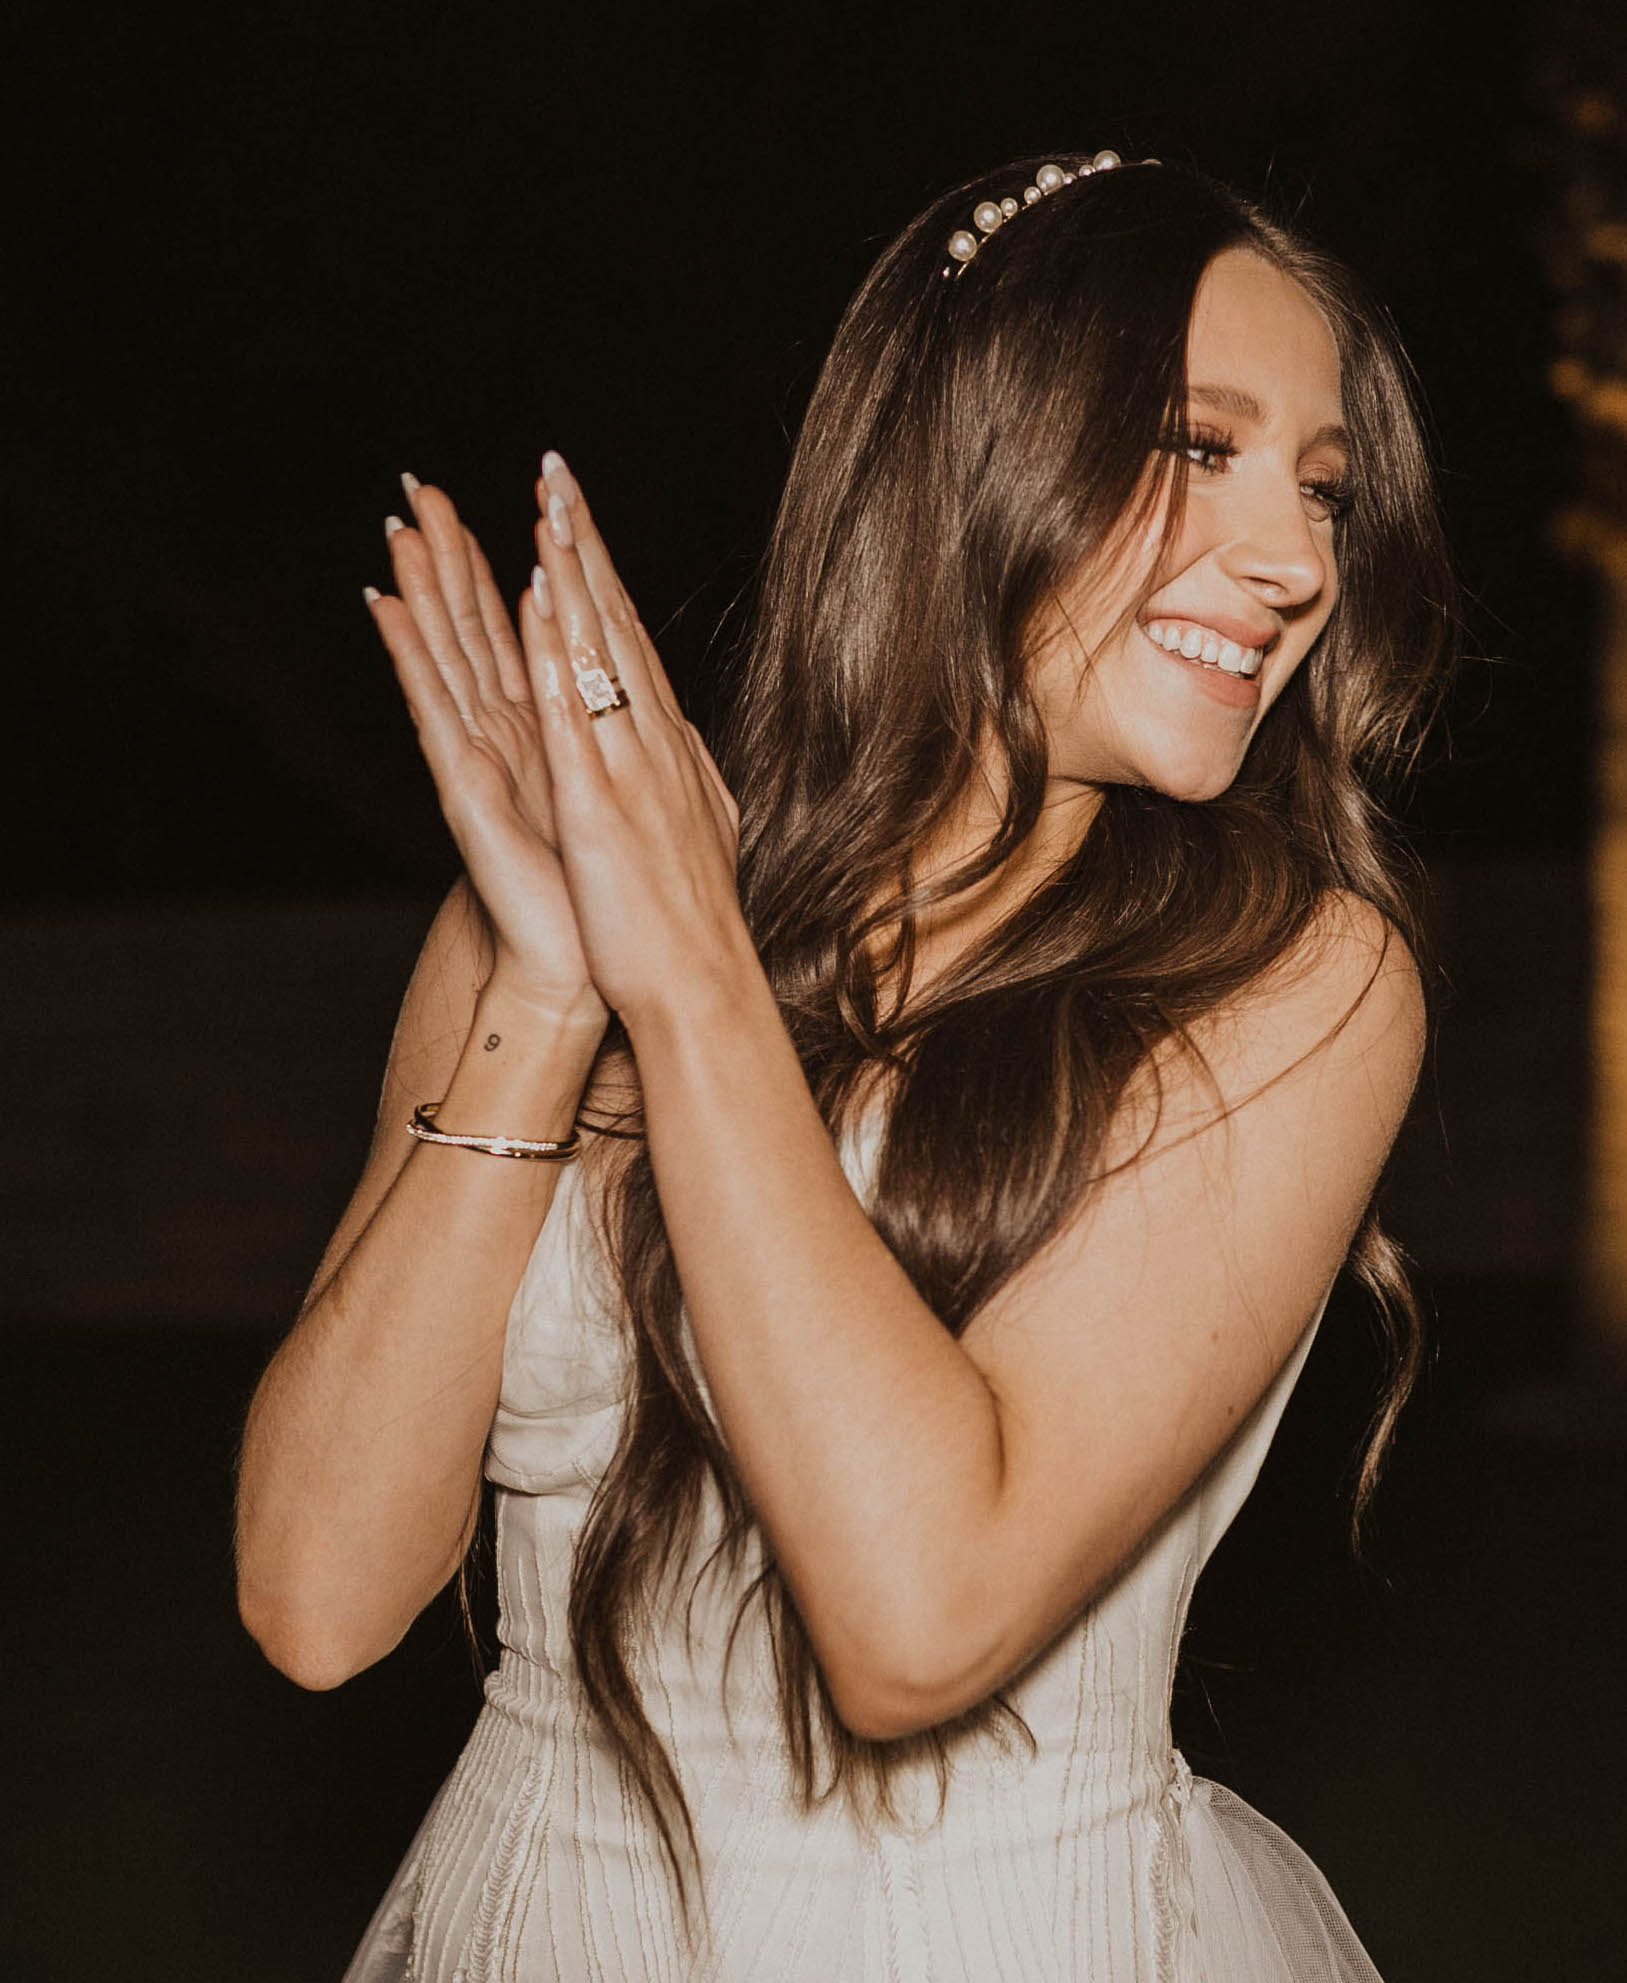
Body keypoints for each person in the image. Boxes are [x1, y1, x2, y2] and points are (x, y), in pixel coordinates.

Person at [233, 149, 1454, 1981]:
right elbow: (317, 1600)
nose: (1294, 564)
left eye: (1326, 493)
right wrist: (560, 987)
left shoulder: (1295, 983)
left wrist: (699, 990)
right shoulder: (566, 915)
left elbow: (918, 1615)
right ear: (978, 447)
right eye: (1200, 448)